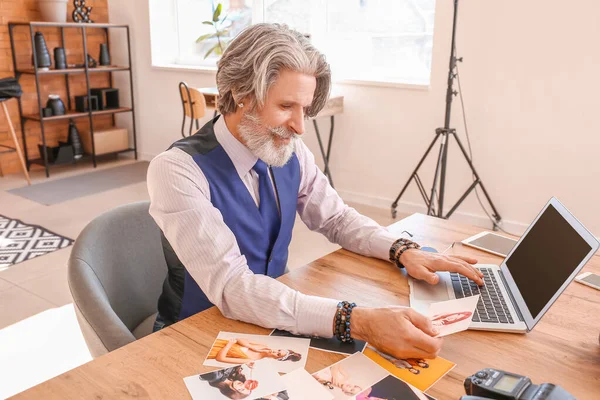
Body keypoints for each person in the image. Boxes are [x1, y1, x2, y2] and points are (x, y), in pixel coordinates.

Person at [148, 22, 484, 360]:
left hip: (270, 324)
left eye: (305, 109)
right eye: (285, 107)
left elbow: (337, 218)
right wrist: (356, 320)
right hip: (193, 336)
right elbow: (234, 287)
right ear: (240, 93)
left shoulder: (289, 151)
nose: (300, 126)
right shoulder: (176, 170)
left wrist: (401, 249)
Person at [207, 337, 301, 364]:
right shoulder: (263, 345)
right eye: (278, 350)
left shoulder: (250, 360)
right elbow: (239, 339)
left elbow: (220, 359)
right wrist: (252, 347)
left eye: (278, 354)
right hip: (217, 342)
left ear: (277, 359)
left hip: (211, 352)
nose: (274, 351)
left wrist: (228, 345)